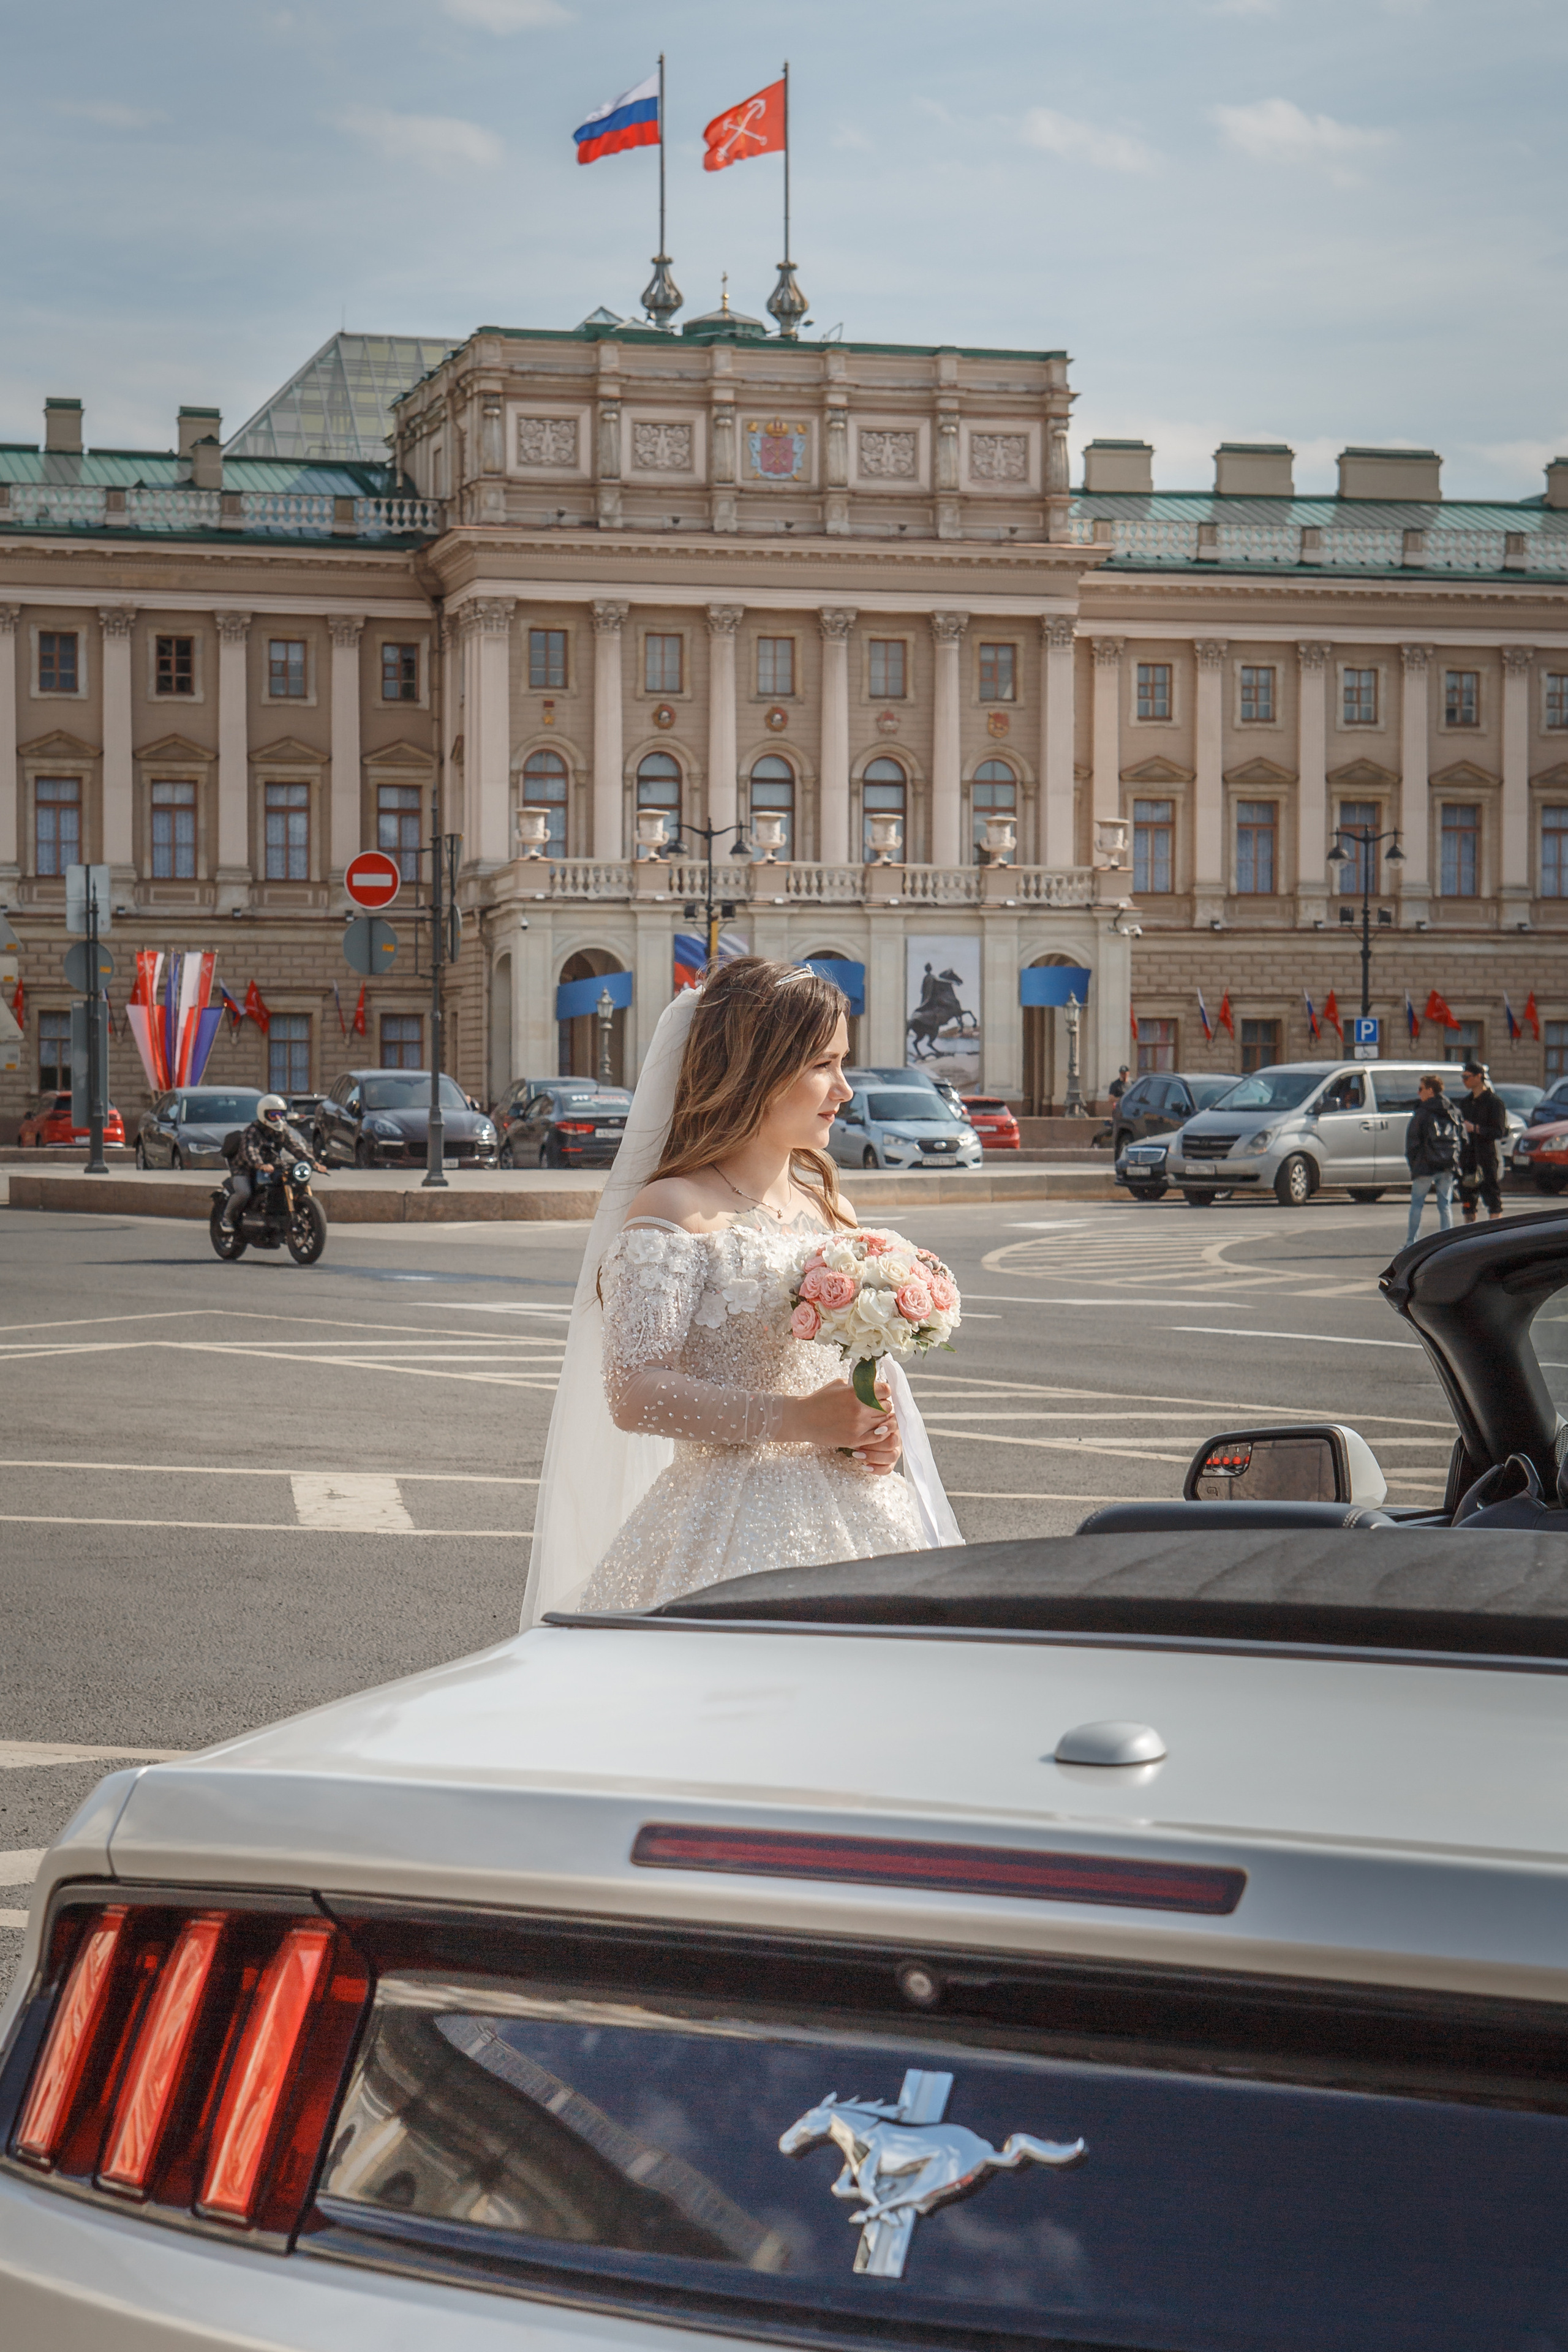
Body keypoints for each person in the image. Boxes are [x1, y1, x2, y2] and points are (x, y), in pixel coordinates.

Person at [524, 958, 962, 1622]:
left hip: (859, 1509)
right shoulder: (673, 1208)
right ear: (754, 1068)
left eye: (842, 1062)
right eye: (822, 1064)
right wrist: (798, 1421)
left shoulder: (831, 1213)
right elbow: (634, 1393)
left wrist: (872, 1430)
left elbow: (844, 1372)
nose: (843, 1089)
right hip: (725, 1521)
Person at [222, 1093, 320, 1228]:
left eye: (280, 1114)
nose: (277, 1118)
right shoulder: (252, 1131)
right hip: (244, 1168)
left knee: (288, 1182)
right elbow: (250, 1151)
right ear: (264, 1114)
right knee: (244, 1192)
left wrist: (312, 1162)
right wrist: (260, 1164)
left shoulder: (282, 1129)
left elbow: (294, 1147)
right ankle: (227, 1217)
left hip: (272, 1166)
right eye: (273, 1114)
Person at [1403, 1073, 1461, 1246]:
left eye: (1421, 1089)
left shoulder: (1423, 1112)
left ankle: (1411, 1243)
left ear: (1430, 1090)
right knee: (1445, 1205)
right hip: (1448, 1165)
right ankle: (1447, 1243)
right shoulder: (1453, 1110)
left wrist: (1414, 1163)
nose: (1418, 1092)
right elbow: (1462, 1137)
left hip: (1425, 1165)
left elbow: (1412, 1141)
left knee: (1417, 1205)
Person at [1457, 1059, 1508, 1223]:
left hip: (1486, 1157)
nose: (1464, 1080)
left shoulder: (1494, 1103)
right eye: (1463, 1077)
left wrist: (1476, 1129)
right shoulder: (1465, 1103)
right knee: (1467, 1200)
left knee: (1492, 1199)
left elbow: (1499, 1132)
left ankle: (1494, 1236)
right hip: (1468, 1157)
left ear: (1479, 1077)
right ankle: (1469, 1237)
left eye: (1467, 1077)